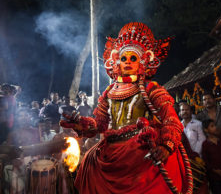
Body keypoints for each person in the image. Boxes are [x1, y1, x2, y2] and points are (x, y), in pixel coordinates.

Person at [60, 22, 192, 193]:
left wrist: (166, 146)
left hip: (141, 151)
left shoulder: (151, 88)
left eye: (133, 58)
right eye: (124, 58)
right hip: (110, 153)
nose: (128, 62)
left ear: (143, 62)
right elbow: (100, 125)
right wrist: (82, 125)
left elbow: (171, 120)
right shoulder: (109, 91)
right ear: (117, 62)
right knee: (88, 162)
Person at [202, 119, 221, 194]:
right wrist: (215, 170)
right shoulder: (205, 144)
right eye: (212, 126)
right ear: (206, 130)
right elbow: (206, 161)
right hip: (214, 176)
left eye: (215, 125)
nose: (215, 127)